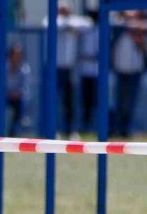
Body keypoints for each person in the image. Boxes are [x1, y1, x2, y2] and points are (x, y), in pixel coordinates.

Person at [43, 0, 92, 139]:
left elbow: (88, 24)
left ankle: (70, 131)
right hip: (54, 68)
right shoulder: (51, 20)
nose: (64, 13)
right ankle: (52, 130)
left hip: (69, 67)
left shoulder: (73, 21)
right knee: (52, 100)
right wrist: (68, 26)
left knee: (69, 101)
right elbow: (48, 24)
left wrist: (69, 24)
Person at [110, 11, 147, 138]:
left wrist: (137, 32)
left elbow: (146, 26)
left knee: (130, 103)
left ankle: (126, 130)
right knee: (119, 102)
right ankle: (116, 129)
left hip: (135, 71)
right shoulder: (118, 28)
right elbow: (116, 24)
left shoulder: (141, 29)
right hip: (120, 70)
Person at [0, 44, 31, 137]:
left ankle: (13, 132)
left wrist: (18, 93)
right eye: (15, 55)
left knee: (22, 104)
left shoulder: (25, 69)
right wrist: (5, 93)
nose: (17, 58)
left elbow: (26, 87)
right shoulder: (1, 67)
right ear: (10, 55)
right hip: (1, 96)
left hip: (17, 98)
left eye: (19, 55)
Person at [78, 10, 99, 133]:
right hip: (85, 71)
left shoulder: (100, 31)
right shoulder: (85, 29)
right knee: (85, 101)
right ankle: (85, 126)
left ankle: (97, 126)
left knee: (97, 101)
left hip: (98, 72)